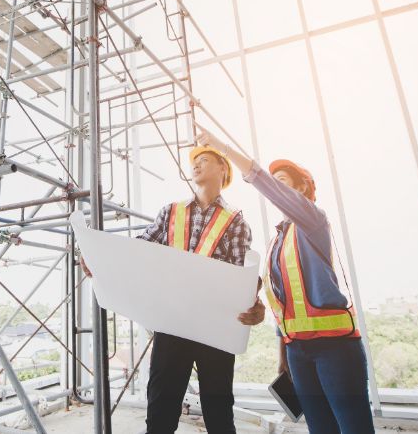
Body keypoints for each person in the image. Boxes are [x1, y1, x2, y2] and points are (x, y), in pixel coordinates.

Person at [195, 124, 375, 434]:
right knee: (320, 428)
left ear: (302, 189)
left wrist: (222, 147)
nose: (274, 189)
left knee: (353, 427)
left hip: (335, 348)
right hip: (298, 351)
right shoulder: (279, 240)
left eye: (282, 183)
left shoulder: (313, 221)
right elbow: (284, 302)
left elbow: (259, 178)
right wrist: (285, 355)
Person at [82, 144, 264, 434]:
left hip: (214, 330)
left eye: (204, 159)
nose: (196, 164)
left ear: (223, 169)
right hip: (173, 326)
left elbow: (242, 274)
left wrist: (254, 302)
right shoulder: (171, 212)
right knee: (160, 415)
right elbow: (138, 249)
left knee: (219, 416)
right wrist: (101, 260)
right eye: (195, 161)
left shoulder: (235, 221)